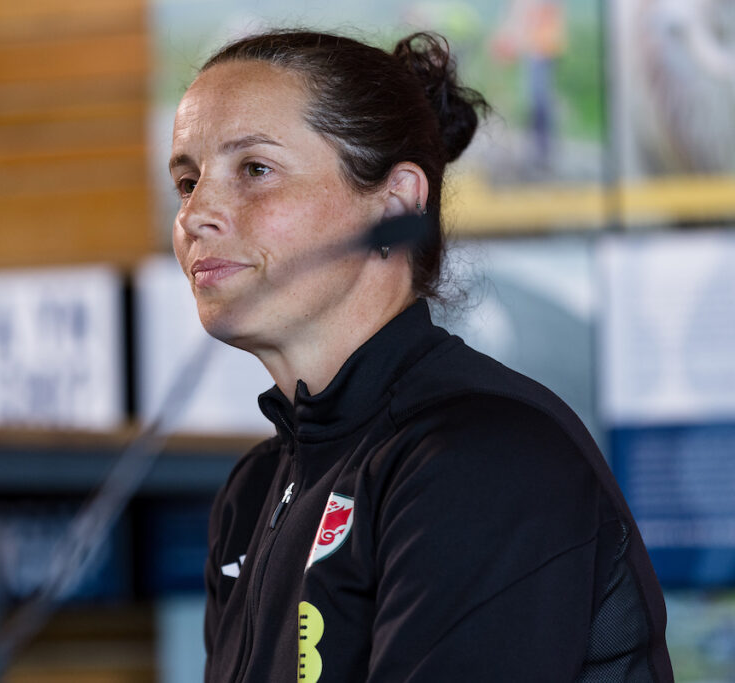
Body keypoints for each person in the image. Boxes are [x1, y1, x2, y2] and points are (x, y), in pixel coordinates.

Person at [168, 29, 673, 683]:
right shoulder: (253, 492)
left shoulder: (482, 458)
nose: (196, 212)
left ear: (398, 203)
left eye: (255, 170)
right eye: (186, 180)